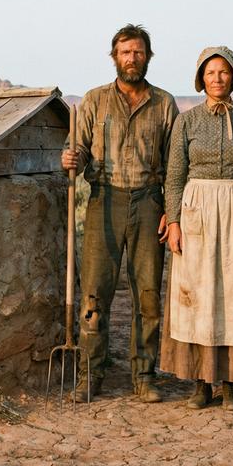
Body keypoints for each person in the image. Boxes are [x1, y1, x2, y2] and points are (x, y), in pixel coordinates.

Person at [61, 23, 178, 403]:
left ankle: (143, 376)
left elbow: (176, 165)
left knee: (147, 296)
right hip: (103, 201)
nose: (132, 58)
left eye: (139, 52)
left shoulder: (164, 104)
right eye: (126, 52)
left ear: (148, 57)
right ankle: (89, 375)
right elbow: (74, 152)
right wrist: (70, 159)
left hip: (149, 203)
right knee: (95, 294)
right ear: (114, 57)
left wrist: (170, 211)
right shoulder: (94, 101)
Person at [159, 46, 233, 412]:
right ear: (200, 79)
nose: (217, 79)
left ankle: (232, 383)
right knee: (200, 294)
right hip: (197, 213)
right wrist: (173, 221)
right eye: (210, 73)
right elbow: (174, 175)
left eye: (224, 72)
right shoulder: (187, 121)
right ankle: (200, 383)